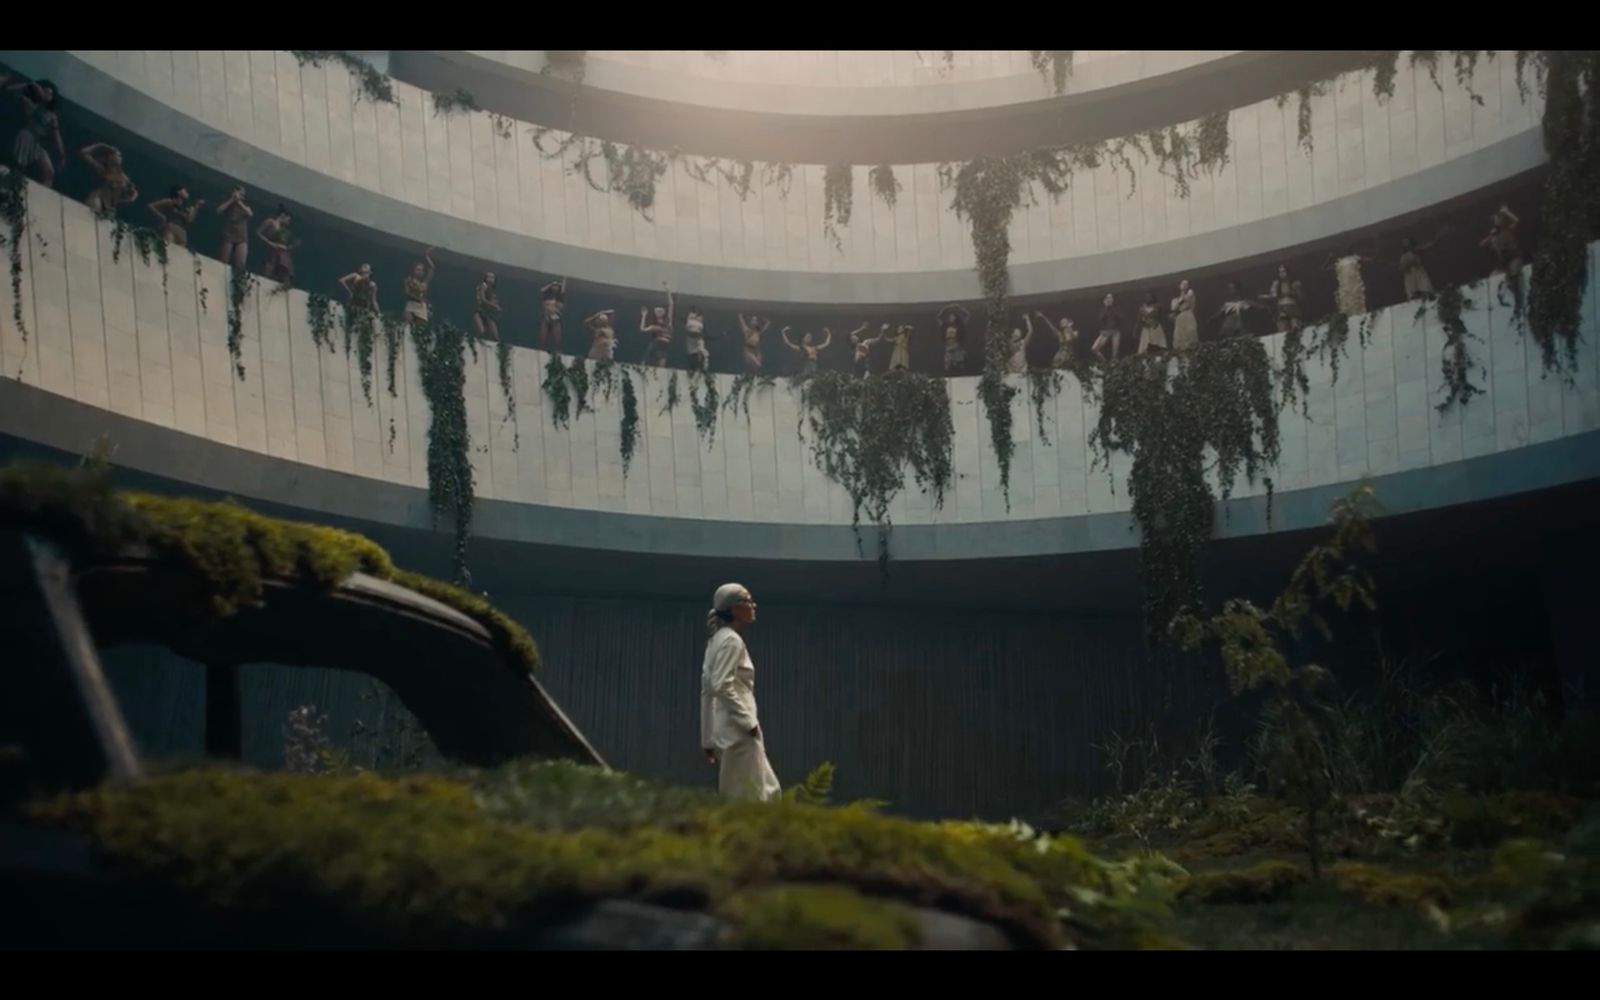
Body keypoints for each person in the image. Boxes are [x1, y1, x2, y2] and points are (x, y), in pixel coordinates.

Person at [700, 583, 781, 802]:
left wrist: (707, 738)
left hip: (726, 730)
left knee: (758, 791)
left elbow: (707, 691)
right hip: (739, 731)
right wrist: (749, 724)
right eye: (747, 600)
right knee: (754, 796)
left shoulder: (716, 640)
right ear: (735, 609)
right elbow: (721, 686)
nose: (753, 605)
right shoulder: (732, 642)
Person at [79, 143, 138, 217]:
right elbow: (83, 152)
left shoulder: (125, 178)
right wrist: (100, 145)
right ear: (109, 157)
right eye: (116, 154)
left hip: (109, 207)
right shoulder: (101, 169)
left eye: (120, 155)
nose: (119, 157)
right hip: (97, 201)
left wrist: (131, 194)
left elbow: (128, 197)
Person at [216, 186, 254, 269]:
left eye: (242, 195)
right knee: (223, 261)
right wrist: (231, 200)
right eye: (239, 194)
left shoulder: (245, 207)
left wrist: (238, 202)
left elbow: (250, 214)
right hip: (228, 235)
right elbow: (218, 210)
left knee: (241, 264)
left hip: (241, 236)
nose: (240, 196)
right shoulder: (228, 204)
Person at [403, 247, 434, 325]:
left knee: (420, 326)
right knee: (407, 321)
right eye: (417, 269)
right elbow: (407, 292)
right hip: (412, 303)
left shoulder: (424, 283)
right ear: (414, 270)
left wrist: (427, 257)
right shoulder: (409, 280)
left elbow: (432, 268)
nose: (419, 271)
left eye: (421, 270)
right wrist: (416, 295)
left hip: (421, 305)